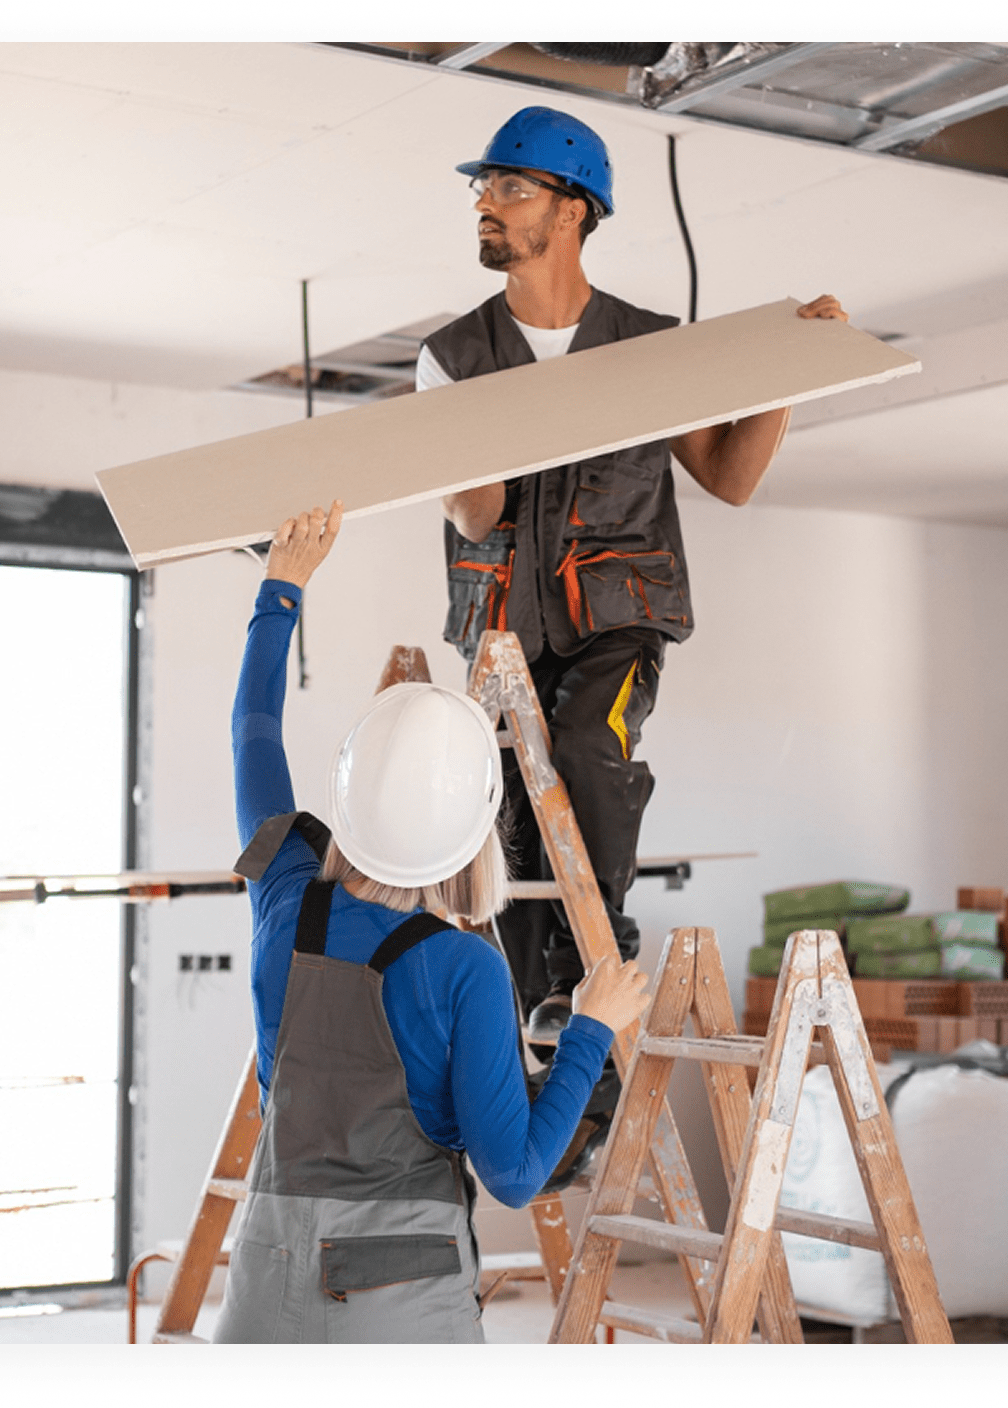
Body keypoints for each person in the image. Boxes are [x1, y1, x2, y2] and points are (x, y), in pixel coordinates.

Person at [416, 106, 849, 1046]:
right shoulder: (450, 359)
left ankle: (597, 954)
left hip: (619, 617)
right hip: (501, 635)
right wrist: (473, 434)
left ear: (572, 211)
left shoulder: (652, 349)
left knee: (583, 745)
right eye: (481, 190)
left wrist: (788, 371)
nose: (485, 206)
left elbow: (729, 478)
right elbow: (478, 514)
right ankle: (545, 1038)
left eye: (508, 188)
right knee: (514, 812)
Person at [211, 501, 651, 1345]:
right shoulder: (462, 968)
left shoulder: (285, 895)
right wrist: (591, 1028)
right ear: (474, 833)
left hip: (264, 1289)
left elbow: (251, 732)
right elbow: (516, 1174)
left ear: (350, 795)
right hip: (399, 1307)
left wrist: (282, 589)